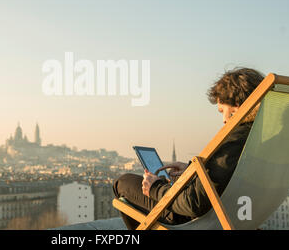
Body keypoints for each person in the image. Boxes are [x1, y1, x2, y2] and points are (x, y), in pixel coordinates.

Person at [112, 67, 265, 229]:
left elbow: (193, 203)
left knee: (122, 183)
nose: (224, 120)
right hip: (239, 213)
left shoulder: (235, 140)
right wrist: (191, 171)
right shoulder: (262, 137)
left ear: (236, 105)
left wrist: (155, 188)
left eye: (223, 111)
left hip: (192, 216)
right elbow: (229, 175)